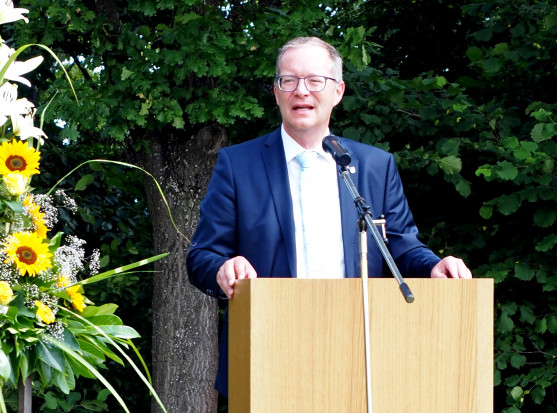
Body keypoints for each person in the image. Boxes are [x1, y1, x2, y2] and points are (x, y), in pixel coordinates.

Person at [186, 36, 472, 397]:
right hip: (267, 349)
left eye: (314, 80)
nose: (300, 91)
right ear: (276, 92)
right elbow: (201, 257)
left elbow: (399, 245)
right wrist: (222, 269)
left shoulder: (373, 166)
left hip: (358, 348)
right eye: (288, 80)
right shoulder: (238, 164)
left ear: (337, 91)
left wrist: (433, 266)